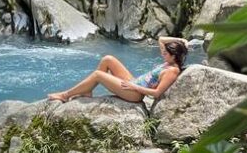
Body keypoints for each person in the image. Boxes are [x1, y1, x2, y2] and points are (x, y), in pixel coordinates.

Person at [47, 36, 188, 103]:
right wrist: (181, 41)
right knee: (108, 59)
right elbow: (161, 39)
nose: (162, 54)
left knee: (98, 75)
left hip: (135, 93)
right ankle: (87, 91)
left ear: (174, 56)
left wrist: (134, 86)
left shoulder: (172, 71)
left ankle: (65, 95)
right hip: (134, 83)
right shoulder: (169, 61)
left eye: (165, 54)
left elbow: (156, 93)